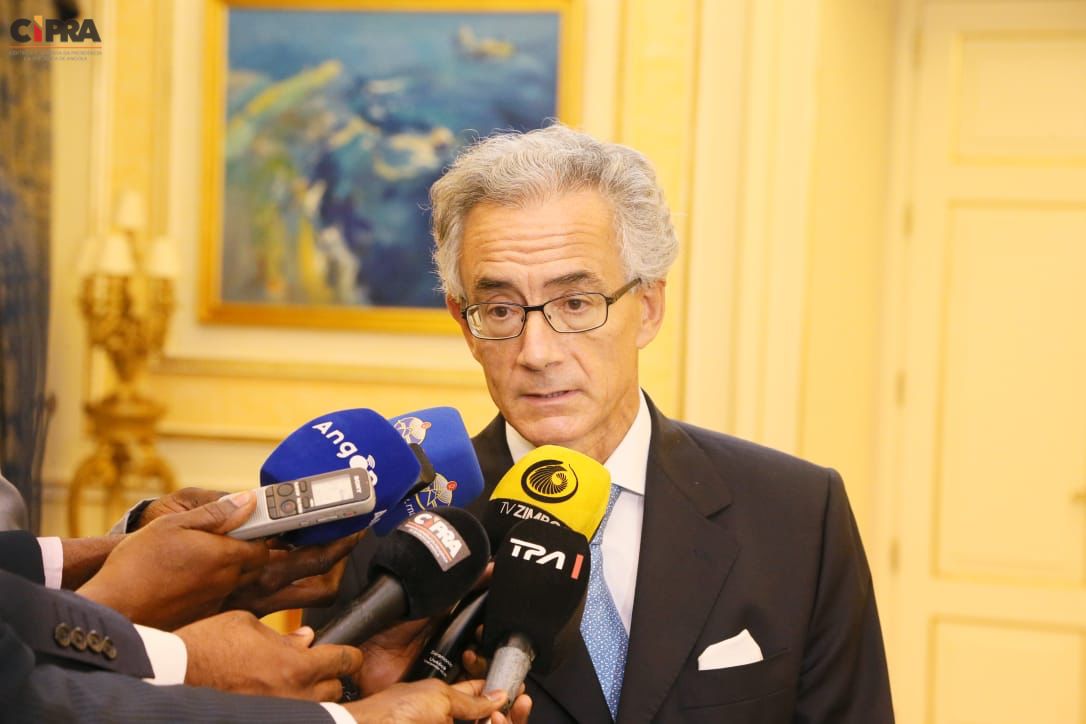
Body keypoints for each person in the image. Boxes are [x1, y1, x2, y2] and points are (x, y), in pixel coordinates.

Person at [312, 124, 894, 723]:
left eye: (576, 303)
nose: (537, 352)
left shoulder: (797, 513)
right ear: (466, 325)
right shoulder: (391, 539)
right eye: (501, 309)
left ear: (649, 308)